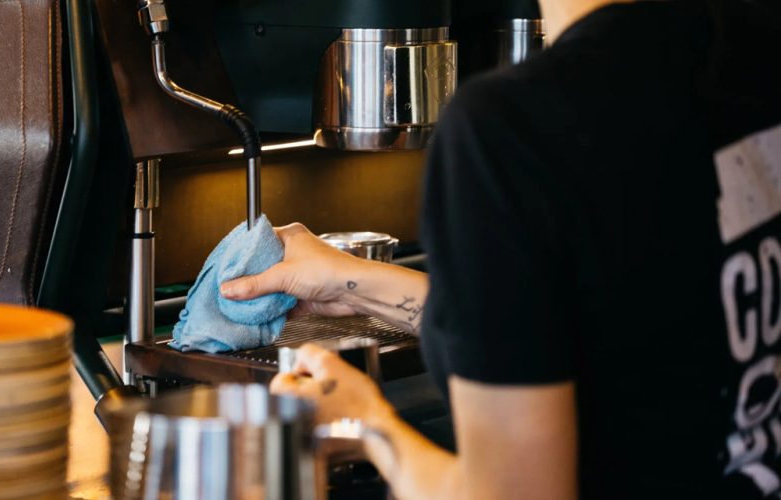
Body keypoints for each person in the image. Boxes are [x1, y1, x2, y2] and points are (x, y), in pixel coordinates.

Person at [220, 0, 781, 498]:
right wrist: (356, 283)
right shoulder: (751, 44)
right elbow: (628, 318)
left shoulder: (512, 125)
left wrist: (365, 424)